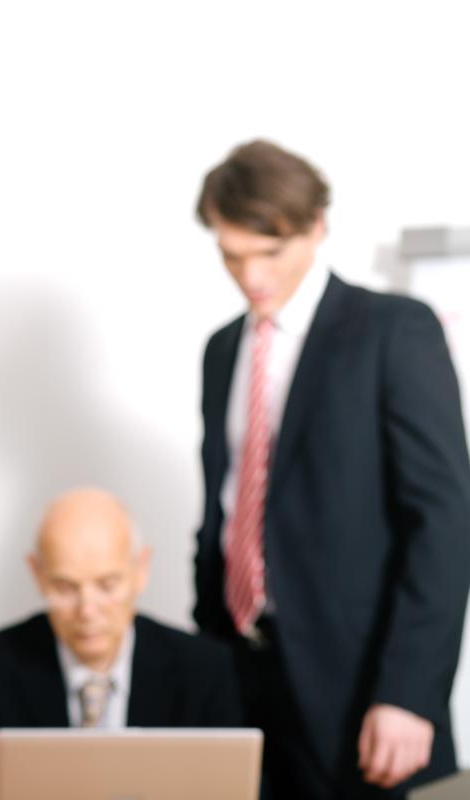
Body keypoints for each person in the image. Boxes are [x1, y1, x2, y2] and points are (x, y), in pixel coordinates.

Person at [193, 139, 470, 798]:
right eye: (232, 257)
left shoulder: (392, 331)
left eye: (269, 254)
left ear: (317, 227)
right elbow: (226, 504)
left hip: (364, 686)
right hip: (242, 674)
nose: (252, 277)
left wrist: (410, 692)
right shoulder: (222, 349)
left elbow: (444, 523)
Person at [0, 488, 243, 799]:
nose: (87, 610)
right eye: (65, 587)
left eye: (107, 585)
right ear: (37, 574)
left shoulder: (204, 670)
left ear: (141, 569)